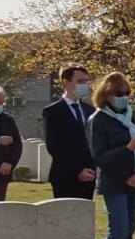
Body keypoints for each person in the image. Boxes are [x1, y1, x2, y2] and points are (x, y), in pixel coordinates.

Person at [88, 72, 135, 239]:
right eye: (119, 93)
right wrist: (128, 149)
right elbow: (101, 157)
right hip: (115, 183)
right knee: (118, 232)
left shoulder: (130, 118)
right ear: (106, 95)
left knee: (129, 231)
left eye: (127, 93)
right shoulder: (98, 120)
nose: (124, 97)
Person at [41, 65, 97, 200]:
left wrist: (91, 168)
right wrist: (78, 170)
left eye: (86, 81)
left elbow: (93, 142)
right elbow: (54, 145)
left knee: (84, 212)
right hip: (65, 175)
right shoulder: (53, 111)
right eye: (80, 81)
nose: (84, 85)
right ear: (66, 82)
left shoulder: (90, 110)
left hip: (89, 174)